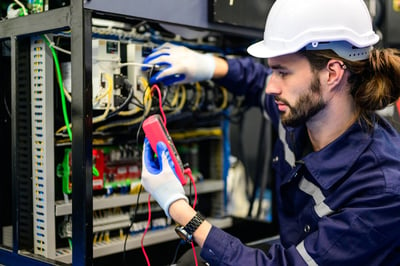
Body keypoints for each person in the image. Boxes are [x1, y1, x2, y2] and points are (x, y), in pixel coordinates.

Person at [140, 0, 400, 265]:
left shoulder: (381, 190)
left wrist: (178, 207)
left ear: (332, 73)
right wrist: (208, 65)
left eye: (282, 72)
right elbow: (255, 79)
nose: (271, 86)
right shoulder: (302, 110)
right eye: (272, 69)